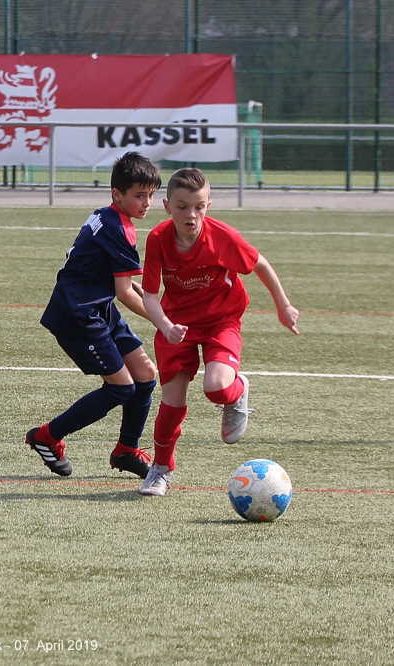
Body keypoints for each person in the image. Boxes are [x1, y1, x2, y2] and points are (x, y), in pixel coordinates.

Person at [138, 168, 299, 496]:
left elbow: (260, 264)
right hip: (177, 325)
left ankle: (237, 392)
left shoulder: (222, 237)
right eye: (182, 207)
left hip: (221, 320)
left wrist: (283, 306)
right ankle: (161, 469)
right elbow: (150, 296)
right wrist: (166, 326)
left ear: (208, 206)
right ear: (167, 207)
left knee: (216, 388)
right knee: (171, 403)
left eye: (199, 207)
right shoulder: (158, 239)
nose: (191, 215)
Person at [26, 151, 161, 478]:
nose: (147, 203)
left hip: (98, 307)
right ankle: (47, 436)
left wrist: (157, 301)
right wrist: (163, 322)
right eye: (139, 195)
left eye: (151, 195)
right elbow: (124, 292)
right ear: (118, 194)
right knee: (121, 388)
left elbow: (121, 281)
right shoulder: (120, 229)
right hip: (79, 314)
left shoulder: (107, 215)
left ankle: (126, 450)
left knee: (145, 374)